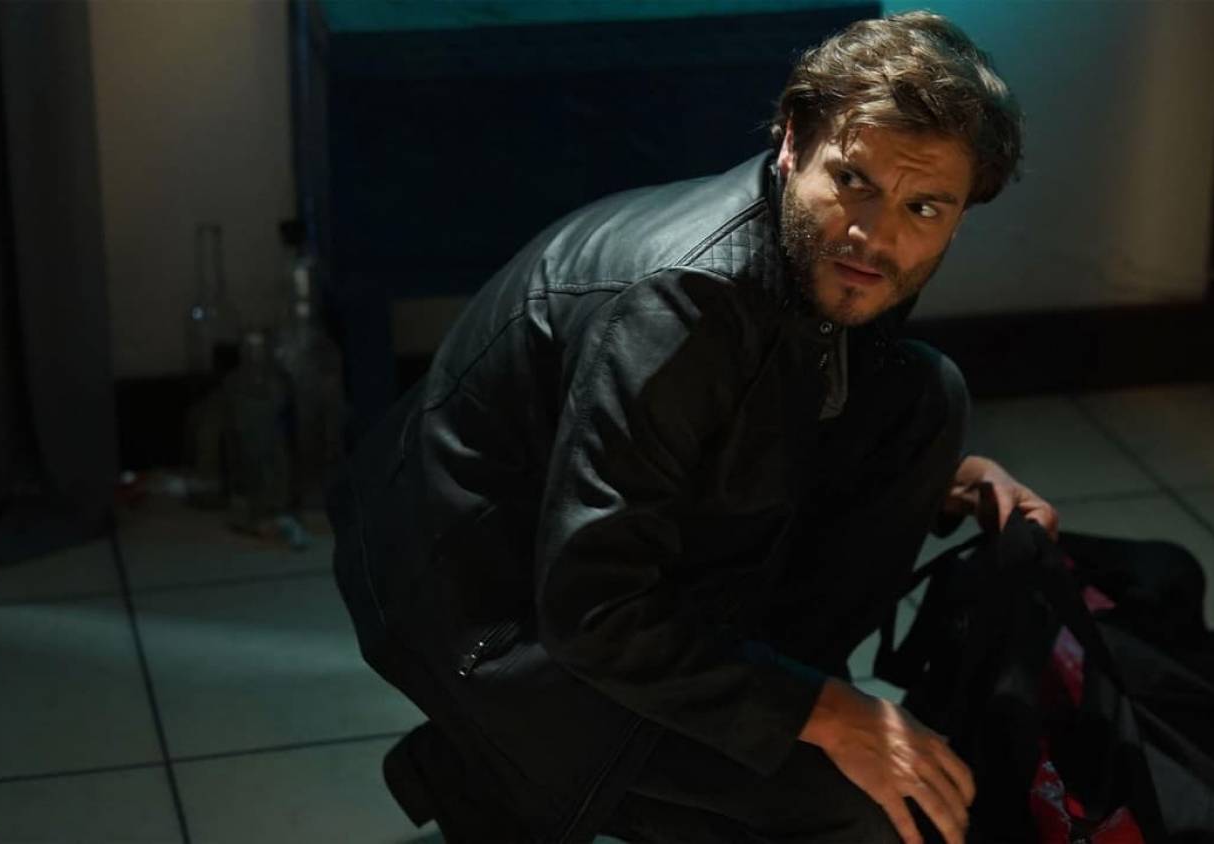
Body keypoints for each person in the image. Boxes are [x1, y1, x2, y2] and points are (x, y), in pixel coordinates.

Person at [327, 11, 1059, 844]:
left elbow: (766, 401)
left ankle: (744, 714)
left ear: (961, 212)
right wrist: (820, 714)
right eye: (852, 180)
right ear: (792, 142)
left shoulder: (831, 254)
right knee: (887, 820)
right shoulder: (683, 307)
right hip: (492, 615)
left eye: (924, 207)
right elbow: (593, 610)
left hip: (585, 551)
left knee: (925, 401)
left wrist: (943, 483)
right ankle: (499, 767)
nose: (876, 233)